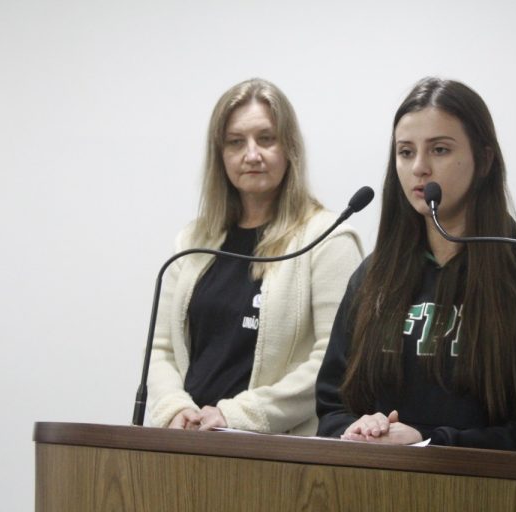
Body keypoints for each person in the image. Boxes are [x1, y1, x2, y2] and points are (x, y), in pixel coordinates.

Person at [315, 77, 516, 453]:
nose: (419, 168)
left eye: (440, 150)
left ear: (485, 159)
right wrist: (357, 428)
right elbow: (332, 408)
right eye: (406, 152)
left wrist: (432, 443)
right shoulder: (372, 277)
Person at [147, 78, 363, 435]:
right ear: (220, 155)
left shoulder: (328, 239)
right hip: (190, 447)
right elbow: (161, 350)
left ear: (289, 148)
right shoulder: (193, 242)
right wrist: (175, 409)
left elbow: (335, 362)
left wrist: (238, 415)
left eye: (266, 139)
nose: (251, 154)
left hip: (279, 457)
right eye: (235, 142)